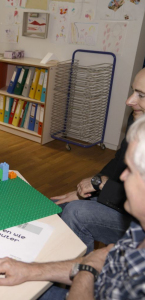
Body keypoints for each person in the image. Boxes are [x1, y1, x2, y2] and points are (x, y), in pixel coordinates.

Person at [0, 113, 145, 299]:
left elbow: (93, 266)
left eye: (132, 170)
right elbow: (103, 260)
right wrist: (29, 270)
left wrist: (86, 269)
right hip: (92, 280)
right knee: (54, 205)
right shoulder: (138, 230)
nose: (122, 178)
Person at [50, 68, 145, 253]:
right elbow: (119, 161)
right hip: (123, 201)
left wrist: (102, 187)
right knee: (57, 206)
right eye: (133, 91)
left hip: (136, 219)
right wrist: (90, 188)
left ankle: (76, 276)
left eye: (141, 95)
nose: (129, 101)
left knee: (76, 213)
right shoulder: (138, 118)